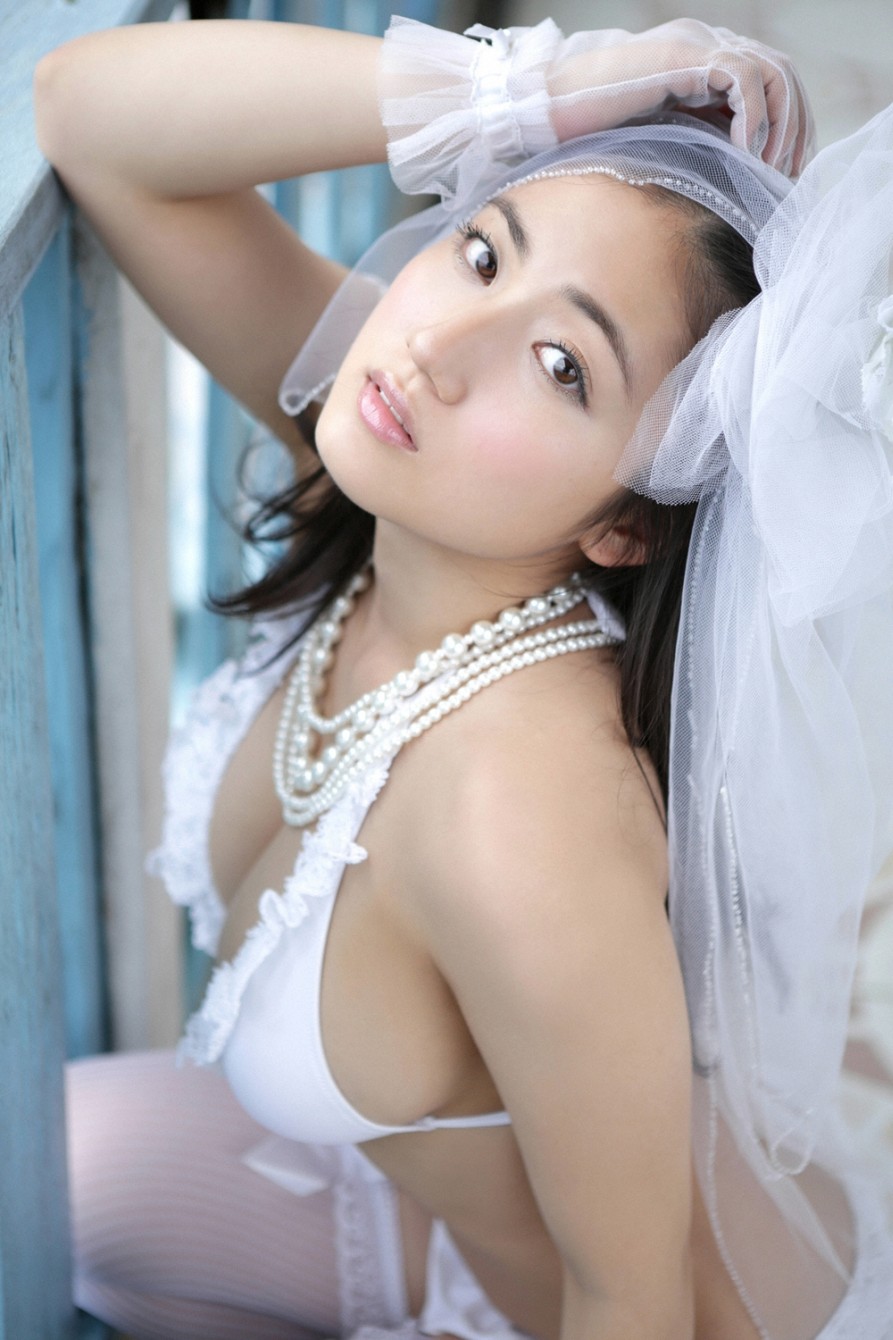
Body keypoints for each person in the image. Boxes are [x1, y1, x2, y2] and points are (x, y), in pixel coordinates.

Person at [32, 12, 893, 1340]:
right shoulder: (402, 458)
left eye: (561, 368)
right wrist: (529, 89)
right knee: (50, 1184)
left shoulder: (524, 817)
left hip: (629, 1316)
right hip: (433, 1223)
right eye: (485, 250)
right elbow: (88, 116)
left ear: (628, 522)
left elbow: (634, 1301)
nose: (439, 345)